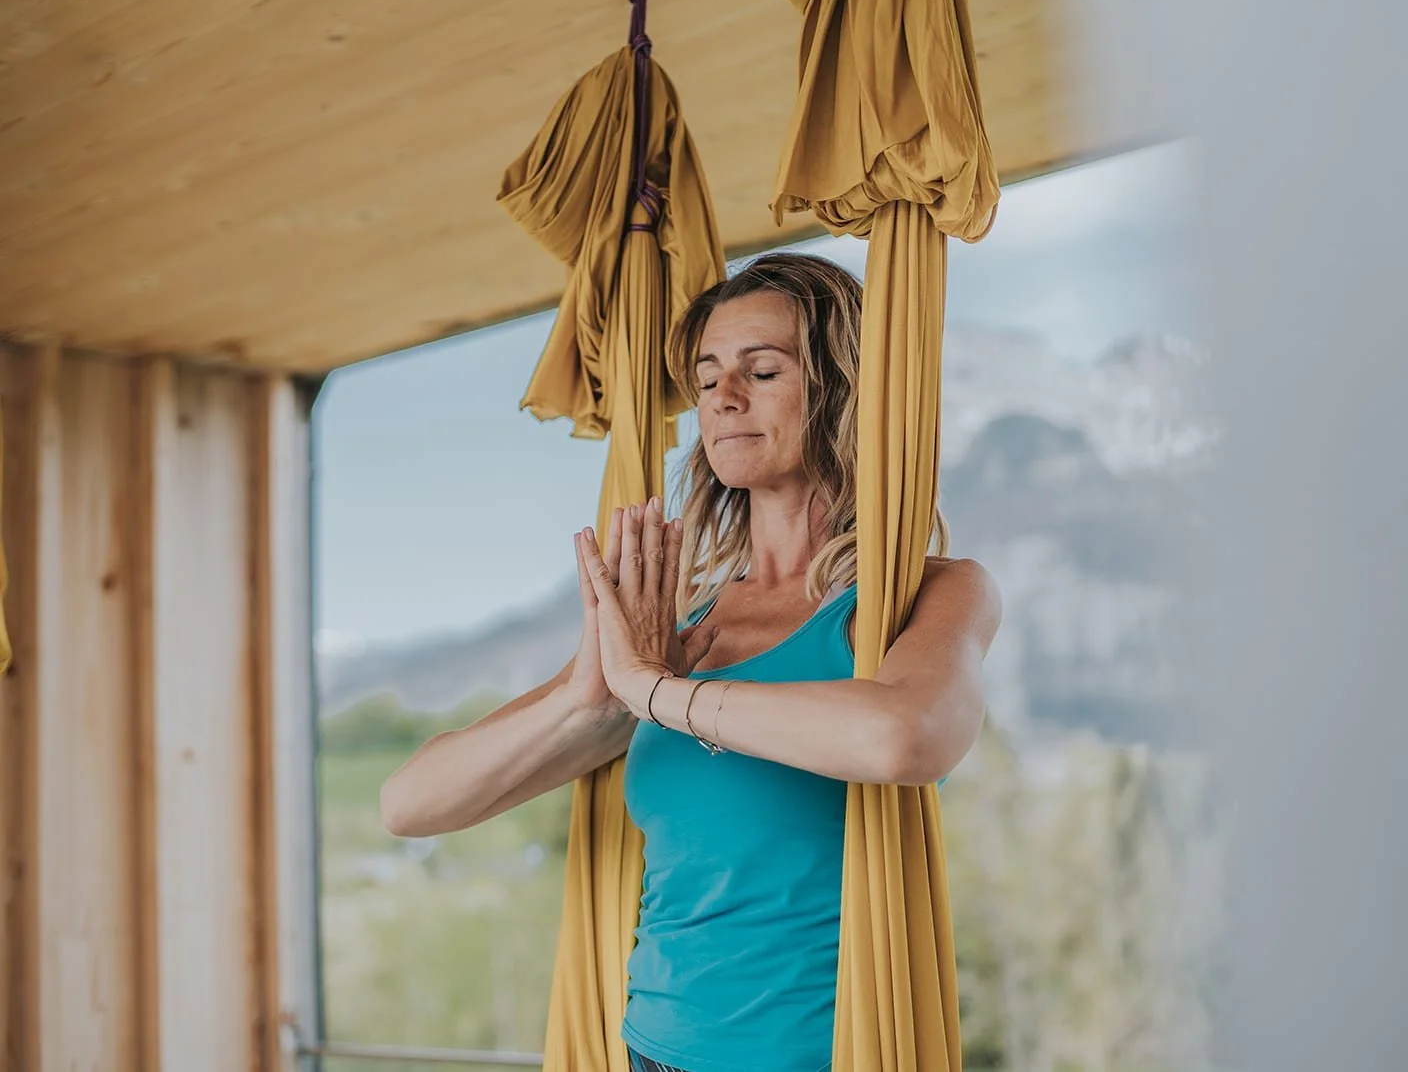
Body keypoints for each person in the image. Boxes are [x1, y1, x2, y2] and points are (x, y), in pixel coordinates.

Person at [381, 251, 1002, 1072]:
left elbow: (907, 738)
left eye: (763, 370)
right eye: (707, 378)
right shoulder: (679, 625)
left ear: (844, 390)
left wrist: (661, 693)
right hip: (652, 1052)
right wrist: (590, 695)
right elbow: (411, 803)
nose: (724, 398)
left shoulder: (922, 596)